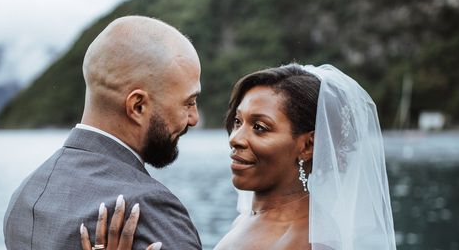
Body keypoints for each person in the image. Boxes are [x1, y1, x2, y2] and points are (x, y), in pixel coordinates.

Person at [84, 63, 396, 250]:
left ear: (307, 145)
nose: (236, 139)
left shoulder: (309, 241)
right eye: (238, 122)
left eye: (259, 128)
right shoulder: (253, 217)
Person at [4, 15, 203, 250]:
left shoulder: (24, 196)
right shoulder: (145, 210)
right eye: (188, 102)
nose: (194, 118)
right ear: (138, 106)